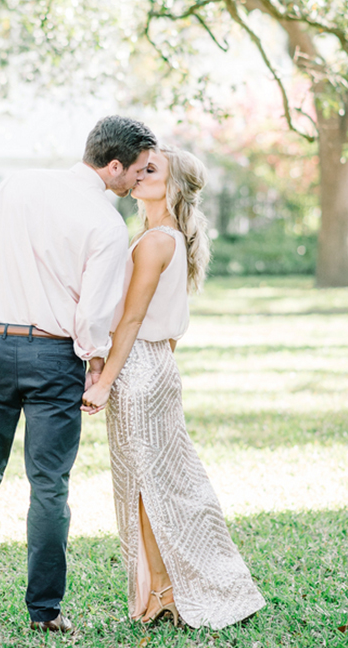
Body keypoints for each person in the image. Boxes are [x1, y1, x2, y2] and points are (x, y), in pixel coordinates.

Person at [0, 116, 158, 634]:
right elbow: (92, 315)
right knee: (49, 487)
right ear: (113, 166)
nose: (138, 180)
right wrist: (96, 360)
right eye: (137, 170)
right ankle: (44, 611)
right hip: (55, 356)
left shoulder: (18, 184)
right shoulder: (107, 224)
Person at [81, 145, 266, 630]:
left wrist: (105, 382)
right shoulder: (163, 237)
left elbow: (133, 318)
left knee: (154, 488)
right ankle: (167, 589)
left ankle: (172, 590)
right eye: (138, 168)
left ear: (174, 186)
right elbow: (169, 328)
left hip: (137, 366)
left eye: (151, 170)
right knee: (158, 485)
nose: (139, 175)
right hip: (155, 364)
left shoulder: (154, 242)